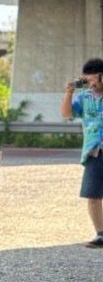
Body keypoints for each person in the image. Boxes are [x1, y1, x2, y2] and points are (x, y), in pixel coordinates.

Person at [59, 57, 103, 248]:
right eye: (87, 80)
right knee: (92, 195)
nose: (91, 84)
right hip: (94, 150)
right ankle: (101, 234)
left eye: (94, 79)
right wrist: (68, 93)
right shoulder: (84, 97)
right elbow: (67, 114)